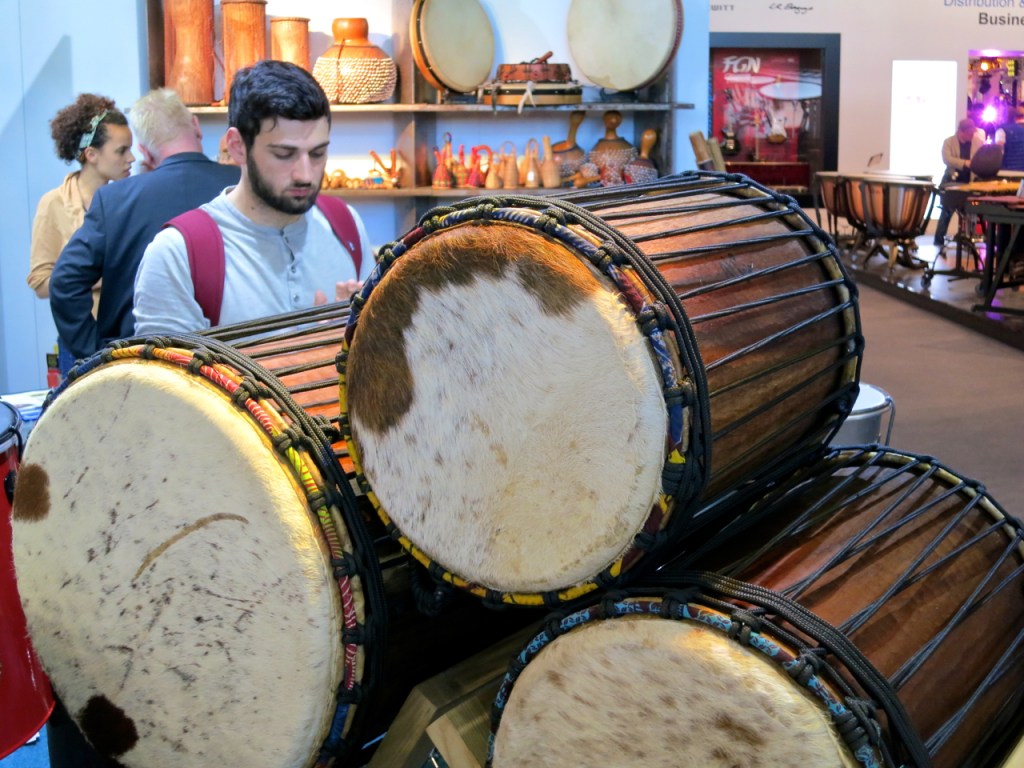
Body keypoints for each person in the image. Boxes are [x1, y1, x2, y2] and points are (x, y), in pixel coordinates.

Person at [132, 60, 372, 336]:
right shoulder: (176, 254)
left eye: (317, 153)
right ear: (237, 147)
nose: (306, 175)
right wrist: (321, 350)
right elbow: (166, 366)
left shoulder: (346, 225)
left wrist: (356, 340)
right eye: (284, 154)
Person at [49, 88, 240, 364]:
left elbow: (65, 282)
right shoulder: (242, 187)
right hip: (238, 363)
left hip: (139, 365)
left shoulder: (114, 200)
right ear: (196, 126)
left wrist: (97, 352)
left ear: (144, 152)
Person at [27, 94, 134, 375]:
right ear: (92, 155)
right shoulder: (53, 204)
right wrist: (92, 277)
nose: (131, 158)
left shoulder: (128, 200)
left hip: (127, 340)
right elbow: (40, 283)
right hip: (78, 340)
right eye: (121, 151)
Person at [933, 117, 985, 248]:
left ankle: (968, 239)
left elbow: (981, 159)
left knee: (971, 211)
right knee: (947, 211)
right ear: (961, 132)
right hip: (952, 182)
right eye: (970, 133)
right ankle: (938, 241)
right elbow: (947, 159)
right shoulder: (949, 142)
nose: (972, 135)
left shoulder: (977, 142)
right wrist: (965, 163)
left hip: (970, 183)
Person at [995, 103, 1024, 172]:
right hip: (1021, 169)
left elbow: (999, 151)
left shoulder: (1001, 130)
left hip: (1007, 169)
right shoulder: (1022, 130)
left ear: (1003, 116)